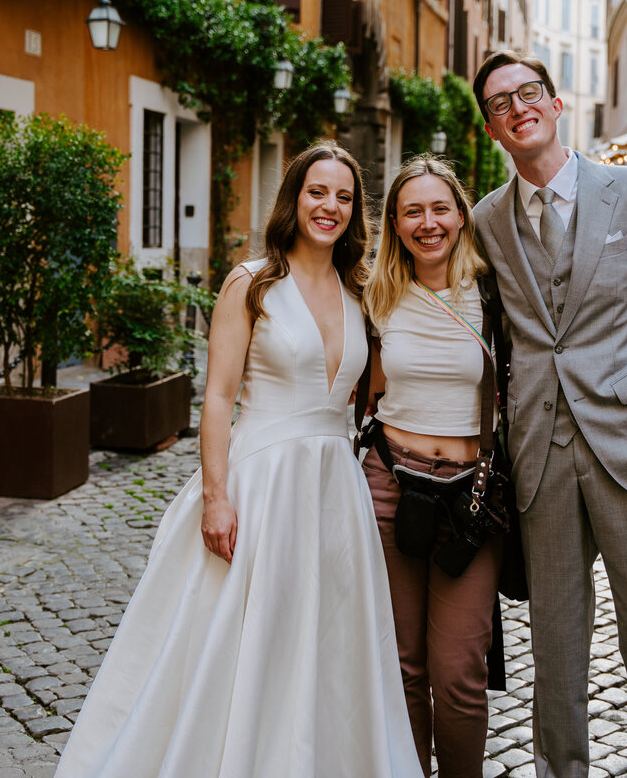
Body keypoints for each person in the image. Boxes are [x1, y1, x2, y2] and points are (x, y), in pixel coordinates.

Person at [53, 142, 424, 778]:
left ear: (355, 211)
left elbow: (388, 385)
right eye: (316, 192)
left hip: (335, 492)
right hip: (261, 485)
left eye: (342, 196)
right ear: (294, 199)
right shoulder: (251, 281)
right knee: (237, 642)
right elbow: (219, 398)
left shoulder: (362, 290)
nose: (328, 206)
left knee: (325, 644)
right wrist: (216, 497)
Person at [470, 50, 627, 778]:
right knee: (556, 656)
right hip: (542, 454)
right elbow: (495, 338)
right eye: (500, 104)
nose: (517, 108)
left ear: (556, 102)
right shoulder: (485, 221)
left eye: (528, 92)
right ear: (491, 130)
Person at [359, 155, 501, 778]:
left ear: (461, 215)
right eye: (412, 211)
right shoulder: (375, 295)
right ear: (394, 222)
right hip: (388, 485)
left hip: (470, 499)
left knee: (460, 675)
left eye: (439, 207)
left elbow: (568, 334)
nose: (428, 222)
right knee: (403, 666)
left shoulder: (496, 292)